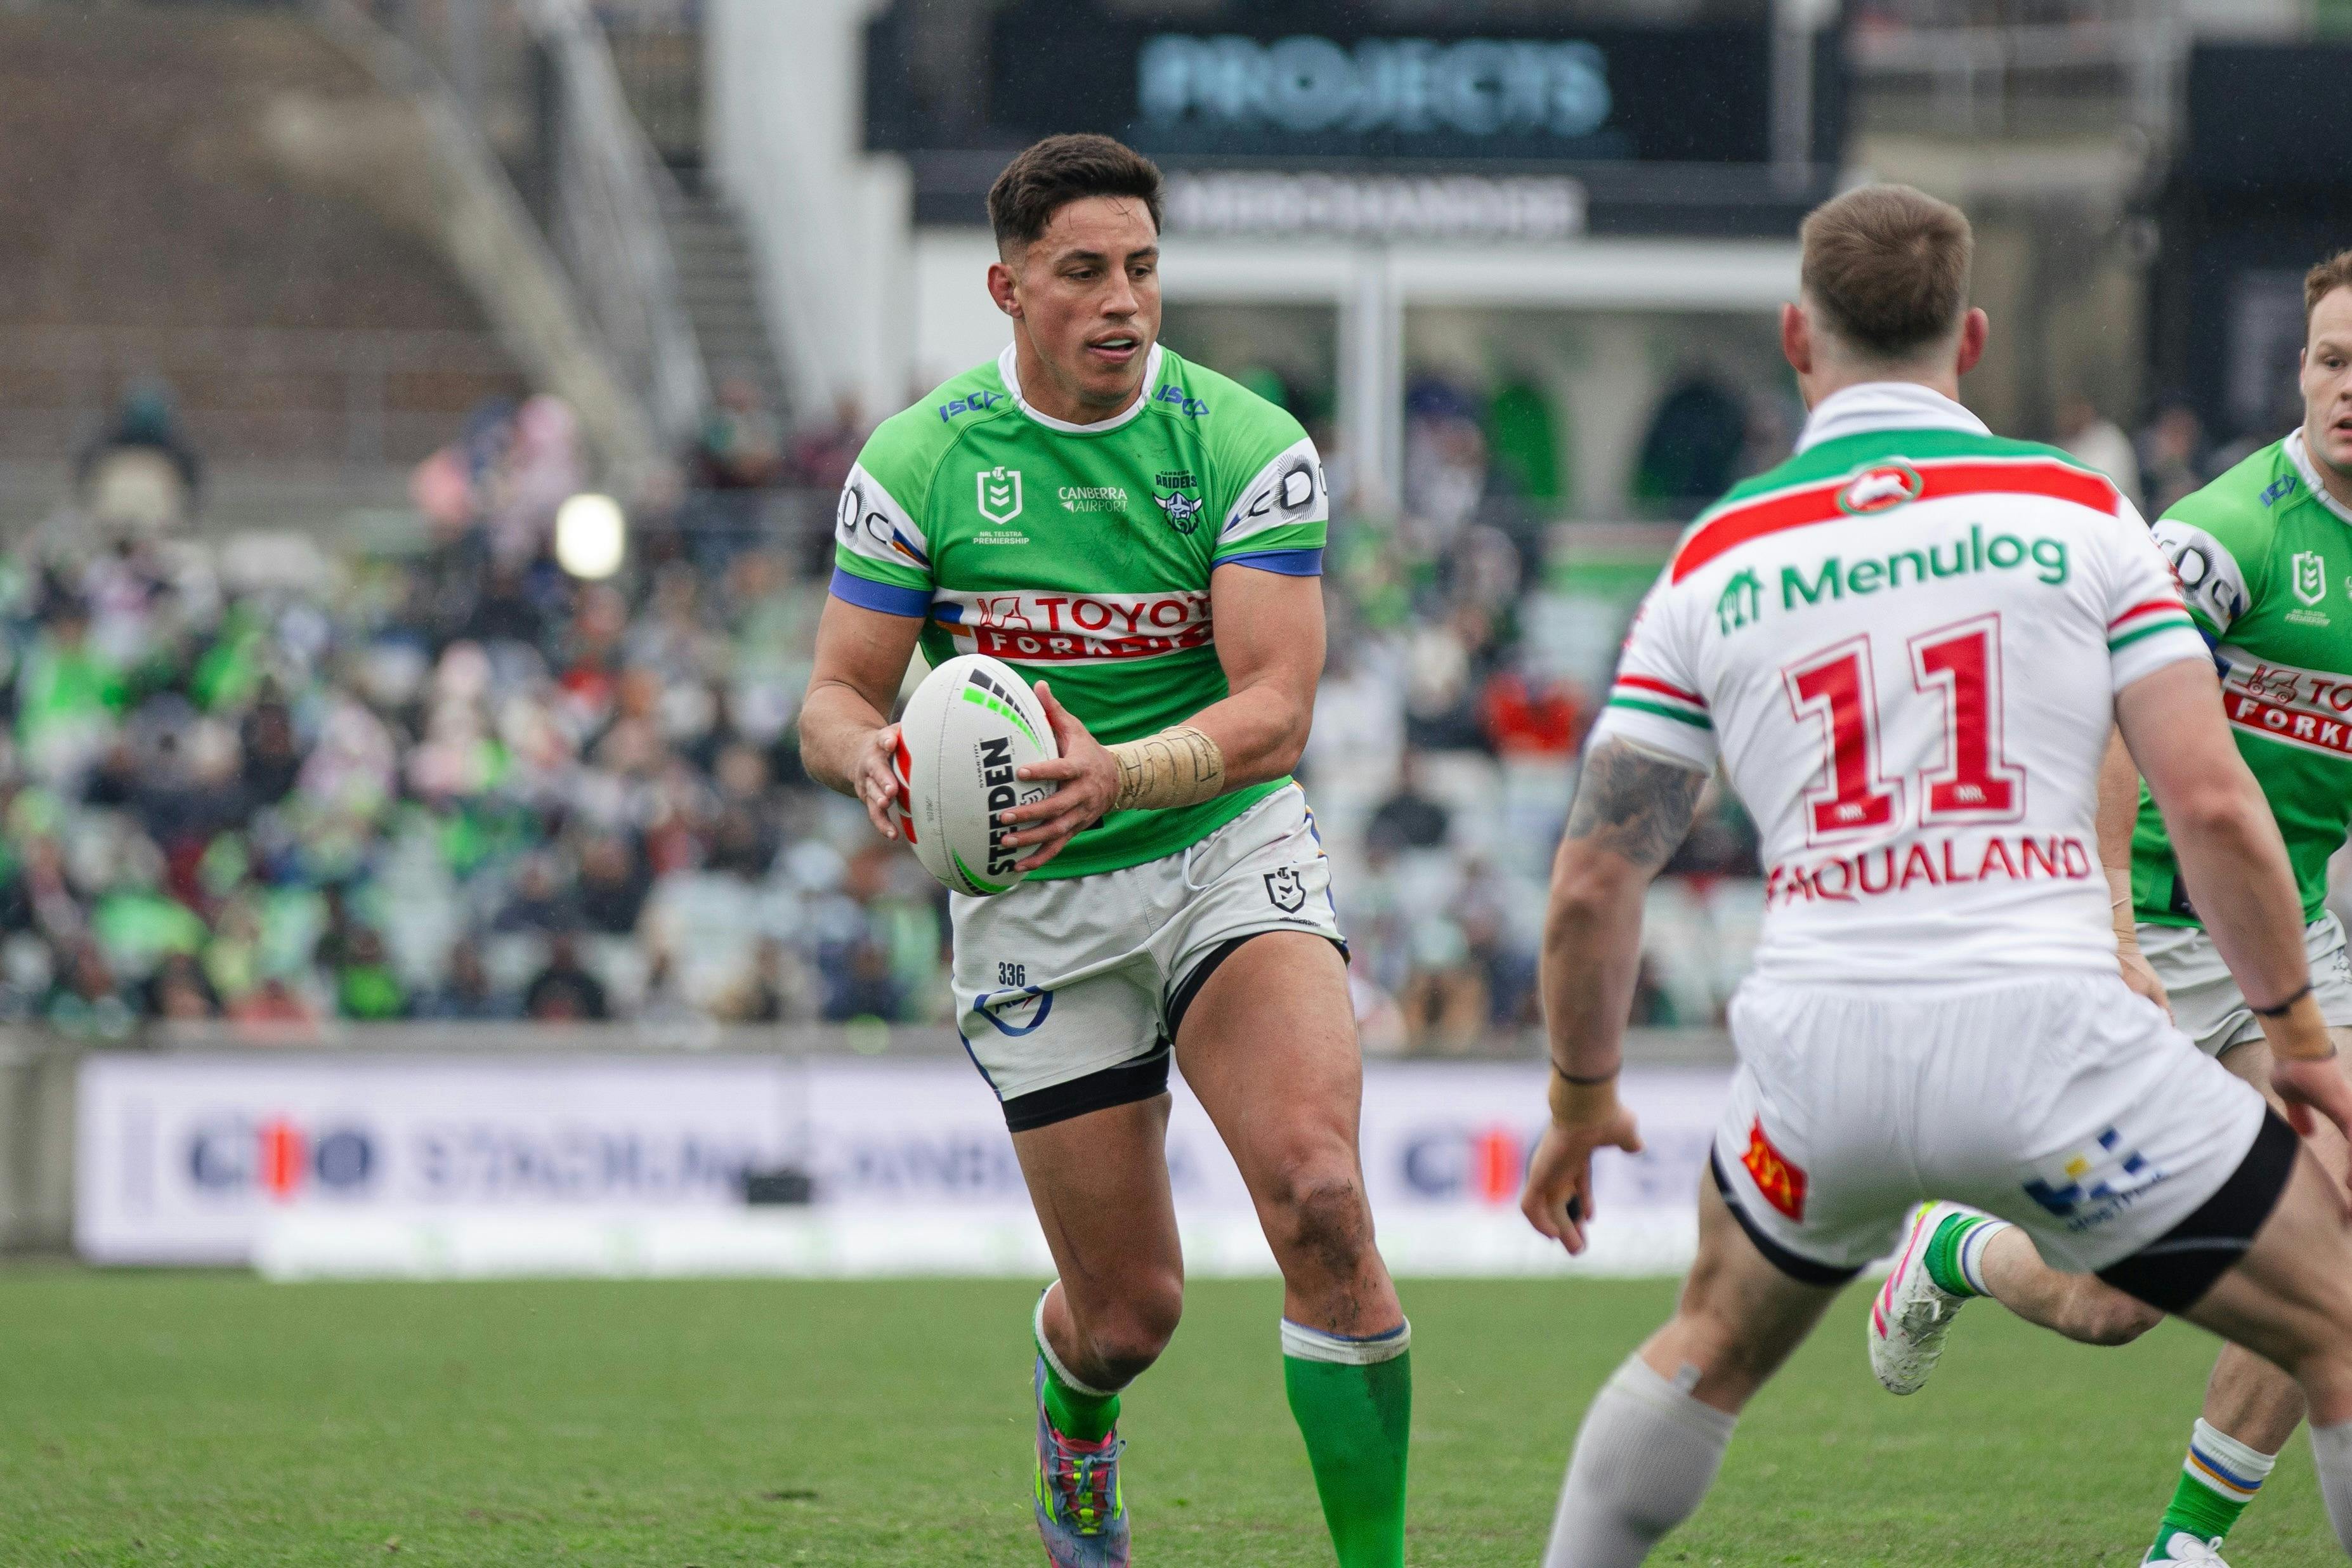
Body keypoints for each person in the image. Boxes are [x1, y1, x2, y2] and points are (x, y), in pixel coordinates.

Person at [1520, 183, 2352, 1567]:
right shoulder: (2084, 511)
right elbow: (2207, 797)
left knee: (1708, 1348)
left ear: (1797, 339)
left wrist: (1579, 1096)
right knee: (2334, 1325)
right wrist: (2301, 1035)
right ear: (1970, 341)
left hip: (1818, 1050)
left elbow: (1598, 878)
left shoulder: (1715, 558)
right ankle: (2007, 1316)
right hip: (2056, 1013)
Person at [799, 134, 1409, 1568]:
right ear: (1008, 288)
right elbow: (833, 694)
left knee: (1322, 1196)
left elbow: (1276, 711)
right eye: (1084, 272)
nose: (1123, 300)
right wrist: (874, 762)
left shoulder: (1250, 445)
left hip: (1215, 846)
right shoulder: (920, 462)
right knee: (1132, 1317)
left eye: (1142, 267)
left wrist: (1121, 773)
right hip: (1036, 900)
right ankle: (1076, 1428)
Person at [1869, 247, 2352, 1566]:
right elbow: (2107, 726)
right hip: (2134, 928)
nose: (2346, 387)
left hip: (2283, 938)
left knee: (2333, 1224)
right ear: (2298, 372)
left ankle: (2188, 1548)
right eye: (2329, 360)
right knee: (2111, 1308)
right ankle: (1959, 1250)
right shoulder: (2224, 536)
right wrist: (2110, 929)